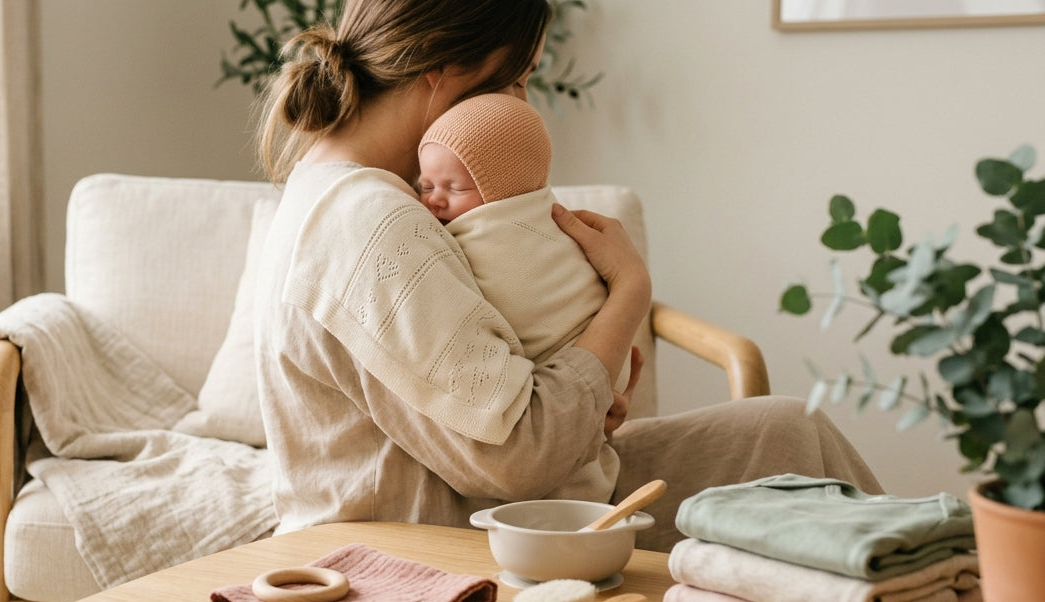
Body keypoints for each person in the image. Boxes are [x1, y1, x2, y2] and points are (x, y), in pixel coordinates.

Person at [252, 0, 881, 551]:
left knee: (787, 431)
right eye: (516, 80)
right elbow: (518, 456)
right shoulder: (369, 223)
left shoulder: (345, 192)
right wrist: (628, 293)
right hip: (442, 551)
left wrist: (583, 397)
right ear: (439, 70)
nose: (519, 105)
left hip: (498, 508)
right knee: (801, 472)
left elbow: (484, 391)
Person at [417, 92, 625, 387]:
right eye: (426, 186)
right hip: (590, 375)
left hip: (579, 359)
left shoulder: (508, 230)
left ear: (504, 189)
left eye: (455, 189)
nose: (434, 200)